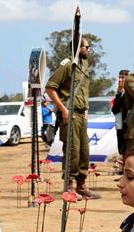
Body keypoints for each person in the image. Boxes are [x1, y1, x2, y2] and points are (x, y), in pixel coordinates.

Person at [45, 37, 101, 199]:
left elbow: (84, 90)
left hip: (81, 114)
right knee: (72, 151)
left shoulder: (83, 65)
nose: (88, 50)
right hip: (69, 114)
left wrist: (86, 110)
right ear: (78, 48)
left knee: (84, 150)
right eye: (86, 47)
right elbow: (50, 88)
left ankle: (82, 185)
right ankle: (70, 185)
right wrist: (63, 109)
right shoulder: (67, 65)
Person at [112, 70, 130, 155]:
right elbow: (115, 109)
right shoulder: (119, 93)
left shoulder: (130, 93)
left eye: (122, 78)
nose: (120, 80)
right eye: (119, 77)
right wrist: (119, 93)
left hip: (128, 124)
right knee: (122, 148)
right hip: (120, 124)